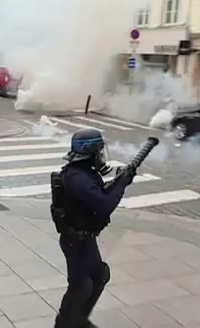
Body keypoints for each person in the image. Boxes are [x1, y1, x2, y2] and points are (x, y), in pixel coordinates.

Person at [52, 129, 135, 328]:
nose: (101, 155)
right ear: (90, 152)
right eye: (99, 151)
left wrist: (119, 181)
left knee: (98, 276)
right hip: (75, 241)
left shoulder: (84, 173)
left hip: (84, 238)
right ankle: (65, 324)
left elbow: (98, 194)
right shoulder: (76, 177)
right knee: (80, 287)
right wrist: (121, 184)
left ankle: (78, 320)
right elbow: (102, 205)